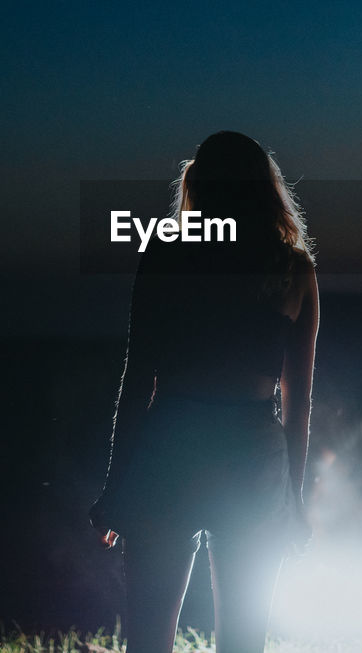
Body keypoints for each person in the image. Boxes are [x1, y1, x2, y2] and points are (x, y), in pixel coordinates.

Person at [90, 131, 318, 652]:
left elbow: (138, 378)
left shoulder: (168, 254)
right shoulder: (293, 269)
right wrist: (295, 500)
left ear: (200, 185)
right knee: (243, 642)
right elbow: (299, 402)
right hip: (252, 452)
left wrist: (117, 482)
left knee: (149, 640)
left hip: (173, 444)